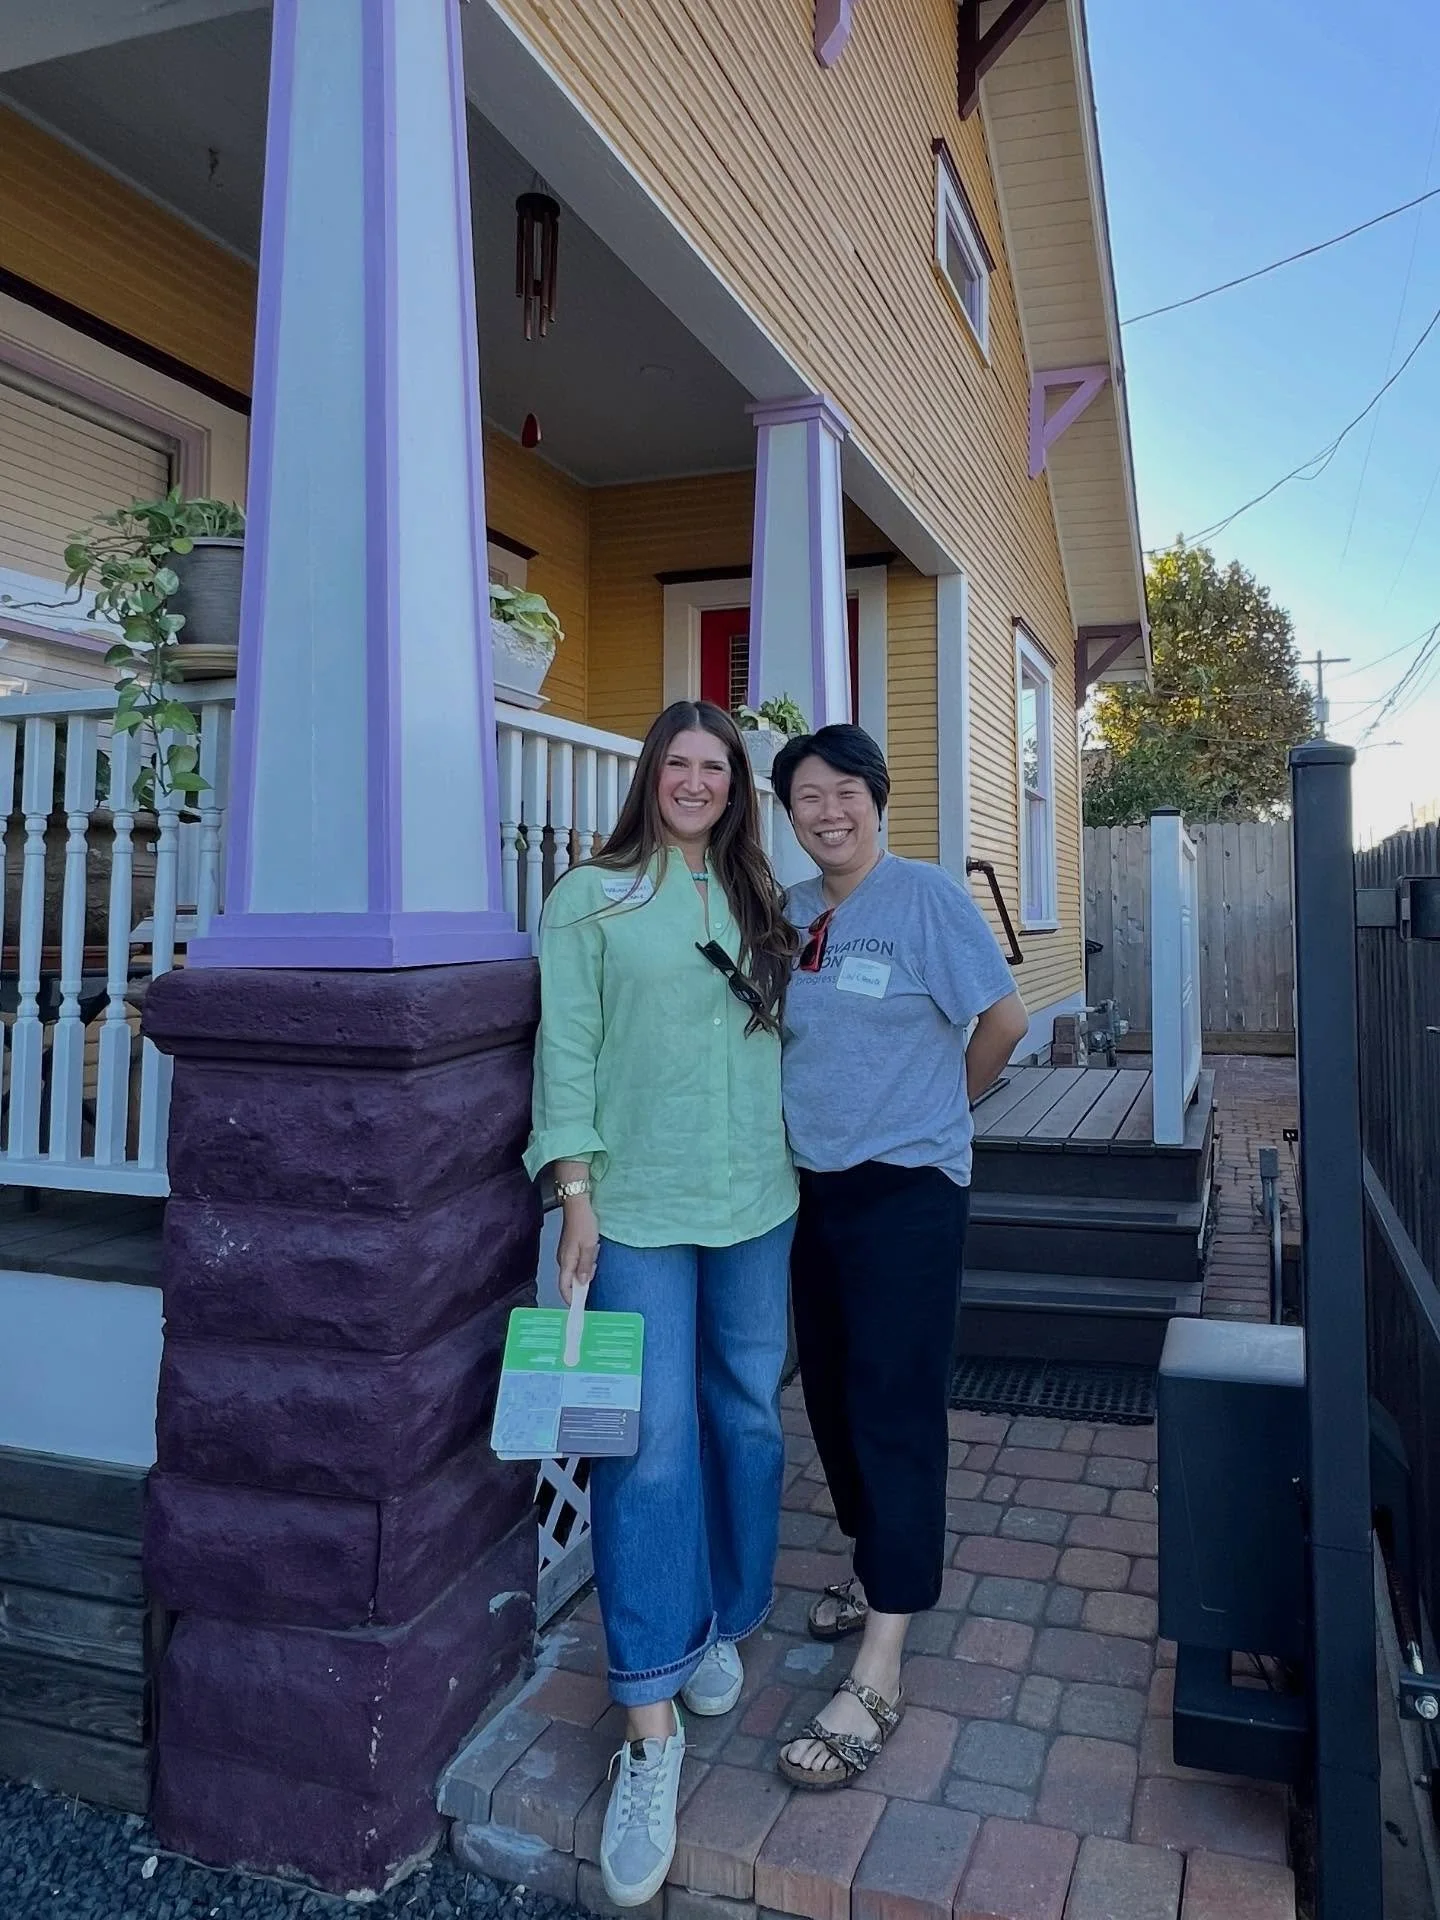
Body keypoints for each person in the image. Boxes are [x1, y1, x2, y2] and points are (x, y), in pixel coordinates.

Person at [523, 699, 797, 1904]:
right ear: (651, 776)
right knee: (645, 1445)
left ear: (738, 787)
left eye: (717, 768)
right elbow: (564, 1050)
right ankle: (649, 1724)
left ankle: (722, 1619)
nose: (696, 782)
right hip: (631, 1205)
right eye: (679, 764)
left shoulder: (759, 899)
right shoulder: (592, 895)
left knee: (746, 1416)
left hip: (758, 1200)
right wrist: (573, 1189)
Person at [769, 722, 1029, 1790]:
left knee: (894, 1404)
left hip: (907, 1192)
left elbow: (1004, 1021)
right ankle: (873, 1561)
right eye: (806, 799)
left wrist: (940, 1110)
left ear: (878, 799)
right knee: (829, 1396)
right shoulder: (789, 915)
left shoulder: (924, 899)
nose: (828, 812)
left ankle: (883, 1658)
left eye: (844, 793)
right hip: (812, 1190)